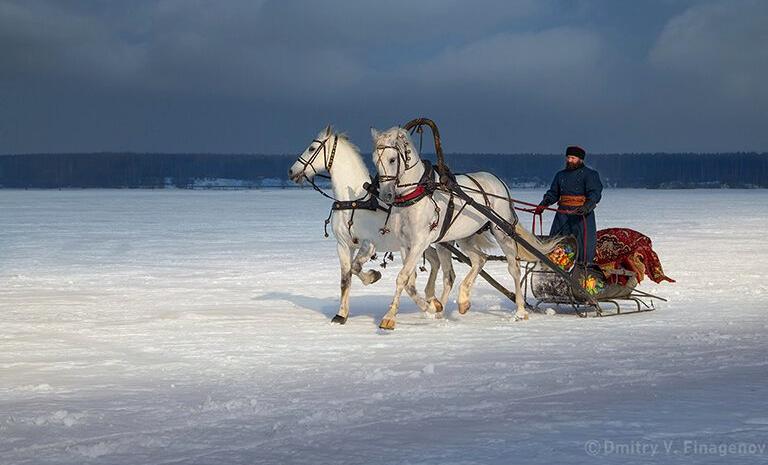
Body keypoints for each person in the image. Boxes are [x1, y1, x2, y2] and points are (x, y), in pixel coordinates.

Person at [534, 145, 603, 265]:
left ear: (580, 159)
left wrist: (587, 207)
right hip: (562, 215)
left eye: (573, 158)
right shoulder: (560, 175)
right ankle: (555, 267)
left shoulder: (590, 174)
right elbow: (553, 193)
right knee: (556, 242)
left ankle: (583, 271)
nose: (569, 160)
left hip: (582, 216)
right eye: (568, 158)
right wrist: (543, 204)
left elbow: (595, 194)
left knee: (583, 245)